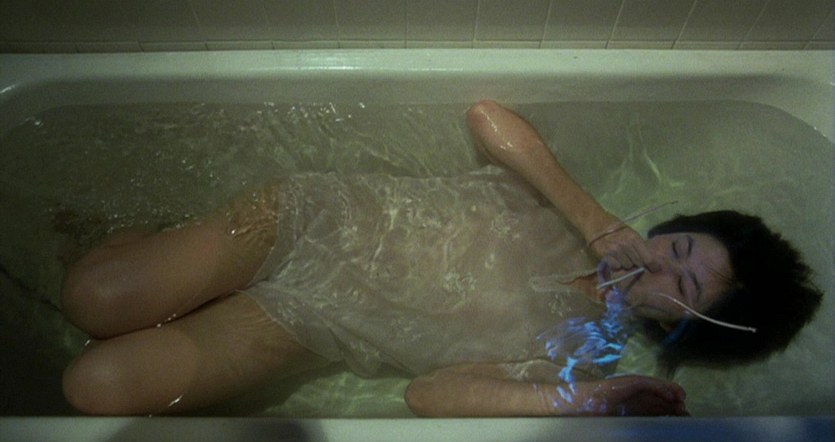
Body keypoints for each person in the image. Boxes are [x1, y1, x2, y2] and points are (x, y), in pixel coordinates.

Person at [59, 100, 822, 417]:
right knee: (96, 297)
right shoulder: (571, 211)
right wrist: (590, 217)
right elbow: (485, 116)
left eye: (681, 286)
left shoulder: (579, 357)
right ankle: (155, 238)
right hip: (298, 224)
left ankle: (185, 272)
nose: (655, 267)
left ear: (684, 326)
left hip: (305, 324)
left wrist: (579, 401)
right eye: (674, 247)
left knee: (96, 386)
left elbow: (428, 395)